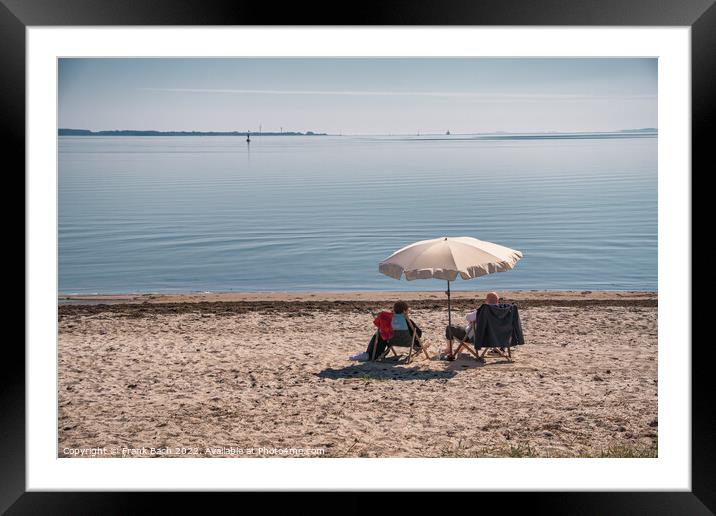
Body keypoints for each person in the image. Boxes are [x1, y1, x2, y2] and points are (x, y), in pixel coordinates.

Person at [443, 292, 500, 360]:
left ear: (486, 301)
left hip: (476, 339)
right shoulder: (502, 313)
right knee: (470, 330)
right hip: (493, 339)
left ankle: (449, 349)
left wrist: (475, 312)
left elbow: (468, 317)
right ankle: (459, 350)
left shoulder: (483, 311)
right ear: (497, 301)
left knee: (450, 328)